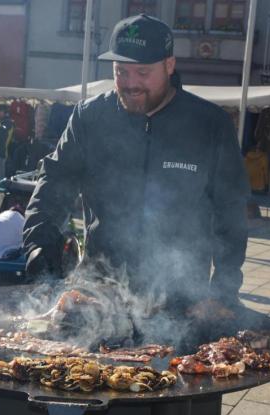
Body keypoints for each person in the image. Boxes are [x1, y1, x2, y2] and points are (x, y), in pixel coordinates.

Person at [22, 14, 249, 316]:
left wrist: (223, 290)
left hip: (181, 296)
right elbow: (54, 181)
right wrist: (40, 243)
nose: (130, 84)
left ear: (169, 65)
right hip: (100, 289)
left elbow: (231, 212)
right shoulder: (90, 118)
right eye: (121, 72)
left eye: (142, 72)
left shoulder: (209, 124)